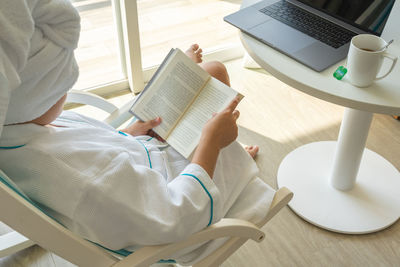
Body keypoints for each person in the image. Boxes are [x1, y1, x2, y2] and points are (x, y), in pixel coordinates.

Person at [0, 0, 274, 264]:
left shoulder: (17, 130)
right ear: (34, 100)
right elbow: (175, 216)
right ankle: (233, 161)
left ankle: (226, 147)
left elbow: (90, 150)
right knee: (215, 95)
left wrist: (129, 132)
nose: (66, 95)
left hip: (143, 166)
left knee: (211, 72)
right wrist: (211, 144)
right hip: (185, 208)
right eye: (61, 90)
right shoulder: (82, 182)